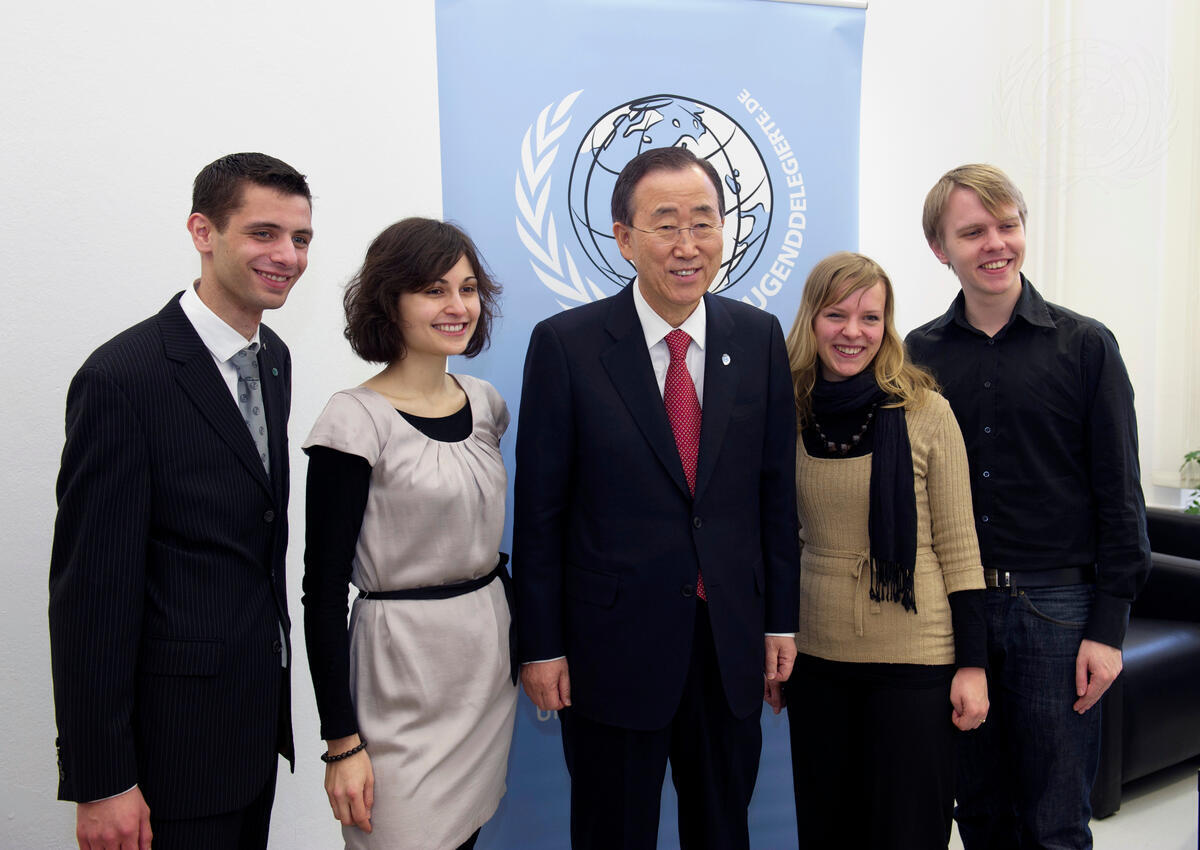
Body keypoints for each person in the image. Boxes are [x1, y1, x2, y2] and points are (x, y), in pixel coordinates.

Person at [513, 146, 802, 850]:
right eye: (665, 223)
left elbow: (775, 496)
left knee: (722, 831)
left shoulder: (758, 337)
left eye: (703, 222)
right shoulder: (567, 345)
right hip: (612, 648)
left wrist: (780, 623)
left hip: (728, 642)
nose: (687, 244)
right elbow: (540, 514)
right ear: (624, 238)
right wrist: (540, 645)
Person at [48, 152, 313, 850]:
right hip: (168, 753)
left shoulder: (274, 358)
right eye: (263, 233)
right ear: (203, 231)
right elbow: (90, 595)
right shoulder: (122, 378)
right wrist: (102, 778)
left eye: (301, 238)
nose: (288, 256)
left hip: (250, 733)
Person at [906, 163, 1153, 849]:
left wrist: (1109, 629)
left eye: (1007, 225)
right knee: (980, 815)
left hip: (1060, 613)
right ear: (940, 248)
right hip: (956, 613)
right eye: (973, 232)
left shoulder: (1087, 346)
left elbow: (1120, 493)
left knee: (1055, 825)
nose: (995, 243)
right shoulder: (917, 355)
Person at [302, 217, 516, 850]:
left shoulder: (485, 403)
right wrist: (341, 742)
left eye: (468, 289)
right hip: (400, 680)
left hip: (485, 669)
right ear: (389, 301)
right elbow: (321, 594)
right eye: (433, 290)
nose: (458, 307)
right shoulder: (352, 421)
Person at [771, 251, 988, 849]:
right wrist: (774, 640)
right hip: (816, 658)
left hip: (915, 662)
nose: (853, 332)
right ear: (811, 320)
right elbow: (777, 540)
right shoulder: (784, 410)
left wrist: (973, 666)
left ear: (886, 325)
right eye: (836, 315)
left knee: (907, 833)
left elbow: (960, 548)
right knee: (827, 831)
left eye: (870, 317)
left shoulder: (926, 411)